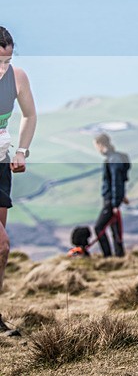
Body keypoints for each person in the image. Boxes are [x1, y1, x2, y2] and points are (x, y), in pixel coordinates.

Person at [0, 27, 37, 337]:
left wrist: (22, 150)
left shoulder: (17, 77)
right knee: (2, 244)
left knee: (0, 251)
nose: (3, 68)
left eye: (7, 60)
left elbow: (29, 115)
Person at [93, 133, 130, 258]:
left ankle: (107, 256)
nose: (96, 149)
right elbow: (119, 180)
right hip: (112, 199)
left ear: (100, 144)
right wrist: (121, 196)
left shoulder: (113, 159)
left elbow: (116, 181)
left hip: (110, 200)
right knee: (115, 228)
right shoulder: (114, 158)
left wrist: (115, 203)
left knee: (99, 228)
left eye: (96, 146)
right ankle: (119, 256)